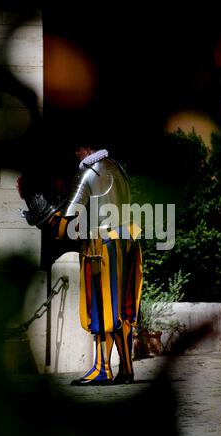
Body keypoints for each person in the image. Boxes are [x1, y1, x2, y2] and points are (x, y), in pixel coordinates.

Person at [20, 145, 143, 385]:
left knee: (101, 310)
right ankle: (126, 369)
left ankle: (102, 370)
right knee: (121, 311)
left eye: (77, 150)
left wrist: (43, 212)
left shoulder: (88, 171)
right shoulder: (117, 169)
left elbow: (65, 227)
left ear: (87, 148)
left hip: (102, 248)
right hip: (128, 242)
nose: (75, 154)